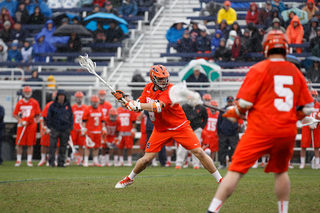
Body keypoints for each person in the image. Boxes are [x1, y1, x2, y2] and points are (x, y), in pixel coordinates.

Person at [207, 30, 314, 213]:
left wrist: (236, 112)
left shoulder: (259, 69)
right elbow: (307, 108)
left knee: (235, 171)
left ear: (266, 48)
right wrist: (293, 117)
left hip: (260, 129)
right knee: (281, 172)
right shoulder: (295, 72)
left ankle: (212, 210)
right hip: (286, 131)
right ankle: (283, 210)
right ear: (285, 48)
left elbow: (245, 104)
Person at [113, 65, 222, 188]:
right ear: (153, 79)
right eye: (160, 79)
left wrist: (134, 104)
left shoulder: (170, 90)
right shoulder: (148, 88)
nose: (164, 81)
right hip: (161, 129)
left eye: (165, 78)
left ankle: (221, 180)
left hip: (179, 127)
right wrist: (124, 99)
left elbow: (157, 107)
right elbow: (136, 105)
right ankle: (129, 179)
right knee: (146, 159)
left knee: (199, 152)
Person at [13, 86, 41, 167]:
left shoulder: (34, 102)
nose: (27, 94)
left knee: (30, 144)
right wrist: (21, 120)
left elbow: (38, 114)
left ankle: (29, 161)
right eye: (26, 92)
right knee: (20, 143)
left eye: (28, 92)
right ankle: (18, 160)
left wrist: (35, 122)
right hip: (22, 125)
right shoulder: (20, 102)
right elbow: (15, 114)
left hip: (31, 126)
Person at [176, 102, 208, 169]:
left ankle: (196, 164)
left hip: (196, 129)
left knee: (196, 146)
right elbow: (179, 116)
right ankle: (179, 163)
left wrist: (201, 127)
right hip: (186, 128)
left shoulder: (201, 108)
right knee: (182, 146)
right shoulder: (185, 106)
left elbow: (205, 118)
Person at [46, 90, 73, 167]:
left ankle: (61, 162)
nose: (61, 97)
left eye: (63, 96)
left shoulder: (68, 106)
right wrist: (49, 126)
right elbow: (48, 117)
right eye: (60, 96)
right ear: (57, 96)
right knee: (52, 146)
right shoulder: (52, 106)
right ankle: (51, 162)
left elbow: (71, 116)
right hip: (55, 128)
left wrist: (70, 126)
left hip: (65, 128)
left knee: (63, 147)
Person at [216, 96, 241, 169]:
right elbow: (219, 121)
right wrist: (219, 131)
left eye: (231, 101)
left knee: (234, 149)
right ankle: (222, 164)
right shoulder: (222, 110)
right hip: (223, 132)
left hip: (233, 132)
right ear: (227, 102)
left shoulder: (237, 109)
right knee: (222, 149)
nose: (230, 103)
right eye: (229, 101)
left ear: (233, 101)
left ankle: (234, 164)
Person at [81, 95, 106, 167]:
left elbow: (102, 120)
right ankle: (85, 160)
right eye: (93, 102)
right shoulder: (87, 109)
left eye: (96, 102)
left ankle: (95, 161)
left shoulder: (100, 109)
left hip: (98, 130)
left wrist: (104, 128)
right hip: (90, 131)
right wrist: (84, 128)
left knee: (97, 146)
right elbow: (84, 120)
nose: (95, 103)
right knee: (88, 146)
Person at [299, 89, 320, 169]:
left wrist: (315, 122)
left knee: (317, 146)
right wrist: (309, 123)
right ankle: (302, 163)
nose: (314, 97)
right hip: (306, 125)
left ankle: (318, 163)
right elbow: (302, 115)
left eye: (315, 96)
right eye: (312, 95)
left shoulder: (318, 105)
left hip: (316, 126)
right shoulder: (305, 105)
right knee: (303, 145)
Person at [38, 91, 58, 166]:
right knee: (44, 143)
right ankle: (43, 159)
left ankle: (53, 159)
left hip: (56, 127)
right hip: (48, 126)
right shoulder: (49, 105)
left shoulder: (62, 106)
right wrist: (45, 127)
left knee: (55, 144)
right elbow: (43, 117)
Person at [70, 91, 87, 166]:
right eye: (78, 97)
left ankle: (80, 159)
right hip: (74, 128)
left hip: (81, 129)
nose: (79, 99)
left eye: (80, 97)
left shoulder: (85, 107)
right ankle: (69, 159)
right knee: (71, 145)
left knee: (81, 145)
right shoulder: (72, 107)